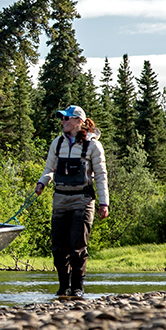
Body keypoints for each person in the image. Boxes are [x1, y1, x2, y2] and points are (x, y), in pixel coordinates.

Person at [34, 105, 109, 297]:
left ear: (79, 122)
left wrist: (104, 203)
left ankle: (77, 288)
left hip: (82, 201)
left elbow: (100, 176)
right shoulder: (57, 144)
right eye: (62, 118)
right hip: (60, 199)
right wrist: (42, 183)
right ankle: (63, 288)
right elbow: (49, 169)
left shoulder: (93, 145)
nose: (63, 121)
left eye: (67, 118)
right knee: (58, 248)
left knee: (77, 247)